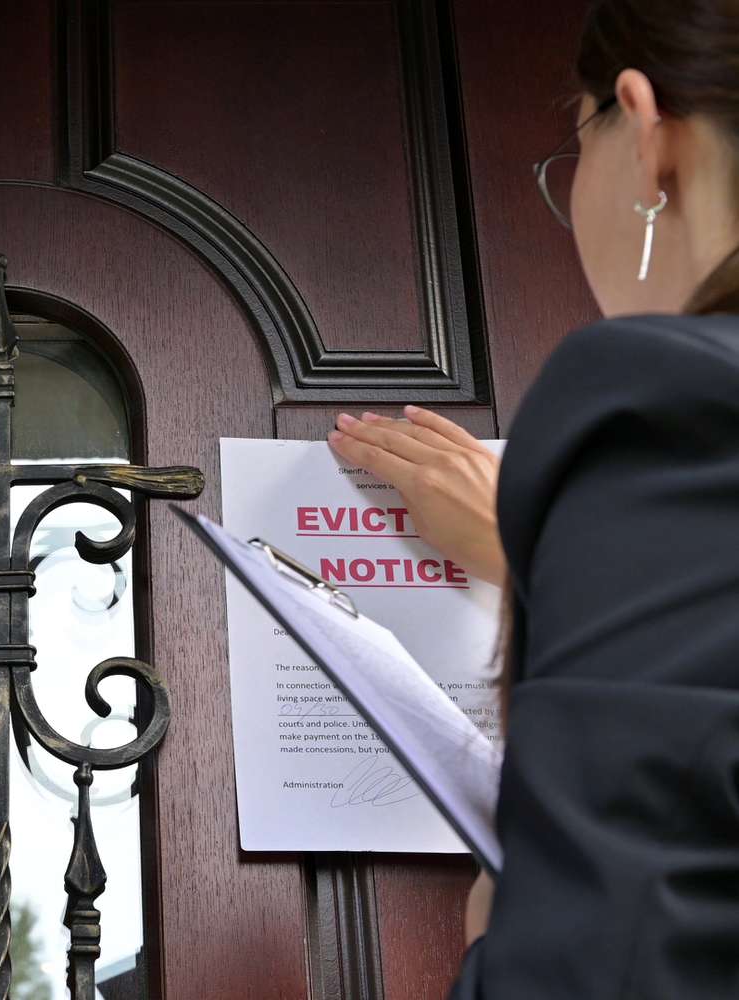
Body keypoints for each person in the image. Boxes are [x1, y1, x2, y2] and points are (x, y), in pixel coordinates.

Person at [325, 1, 739, 995]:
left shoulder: (658, 403)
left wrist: (498, 929)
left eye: (574, 145)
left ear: (643, 131)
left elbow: (615, 958)